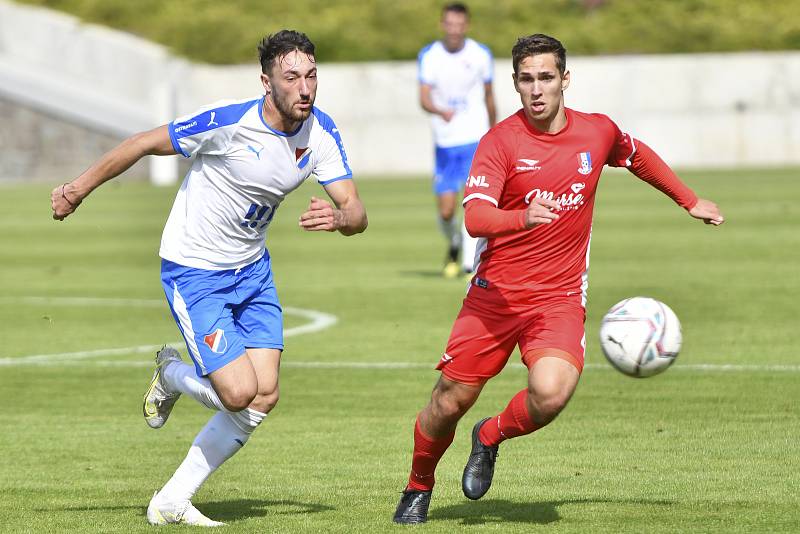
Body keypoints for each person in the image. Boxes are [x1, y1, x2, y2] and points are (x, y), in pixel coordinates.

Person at [393, 33, 724, 524]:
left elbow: (637, 155)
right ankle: (419, 486)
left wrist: (688, 199)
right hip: (495, 297)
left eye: (546, 77)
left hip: (559, 297)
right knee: (447, 402)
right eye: (526, 79)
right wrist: (520, 218)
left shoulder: (596, 132)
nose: (537, 89)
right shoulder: (500, 142)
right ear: (514, 84)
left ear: (565, 79)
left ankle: (489, 436)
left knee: (551, 393)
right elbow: (476, 218)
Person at [50, 30, 367, 527]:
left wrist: (341, 219)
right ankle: (172, 374)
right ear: (267, 82)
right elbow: (141, 143)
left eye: (311, 76)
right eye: (291, 78)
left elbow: (356, 210)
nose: (304, 88)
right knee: (239, 393)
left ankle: (170, 502)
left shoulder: (320, 132)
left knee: (265, 395)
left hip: (253, 274)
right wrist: (77, 189)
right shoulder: (229, 123)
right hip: (194, 271)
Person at [418, 2, 497, 278]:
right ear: (443, 25)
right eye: (449, 24)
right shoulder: (429, 56)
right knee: (447, 211)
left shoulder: (480, 54)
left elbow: (489, 97)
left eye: (458, 24)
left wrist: (495, 134)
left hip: (475, 138)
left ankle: (469, 264)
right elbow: (424, 98)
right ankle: (454, 243)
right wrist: (439, 110)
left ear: (466, 25)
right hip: (445, 143)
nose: (454, 29)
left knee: (473, 201)